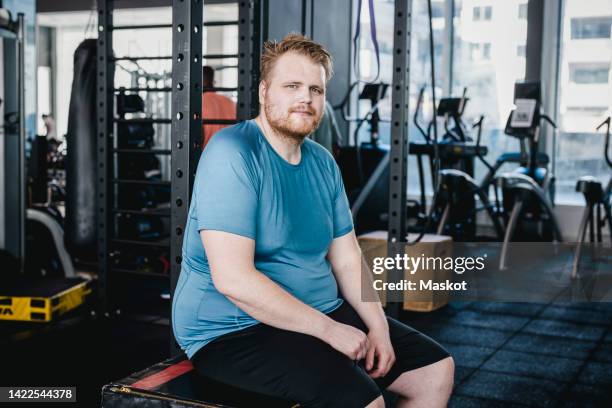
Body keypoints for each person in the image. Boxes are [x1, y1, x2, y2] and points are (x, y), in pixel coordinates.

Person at [172, 33, 453, 408]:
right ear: (263, 91)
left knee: (435, 371)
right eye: (292, 86)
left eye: (315, 89)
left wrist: (378, 326)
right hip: (234, 329)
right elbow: (233, 279)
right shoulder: (233, 154)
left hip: (318, 310)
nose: (306, 97)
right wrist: (329, 331)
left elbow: (347, 257)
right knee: (365, 402)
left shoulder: (321, 162)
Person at [201, 66, 237, 149]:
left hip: (205, 157)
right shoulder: (230, 102)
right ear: (213, 82)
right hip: (230, 155)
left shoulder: (197, 103)